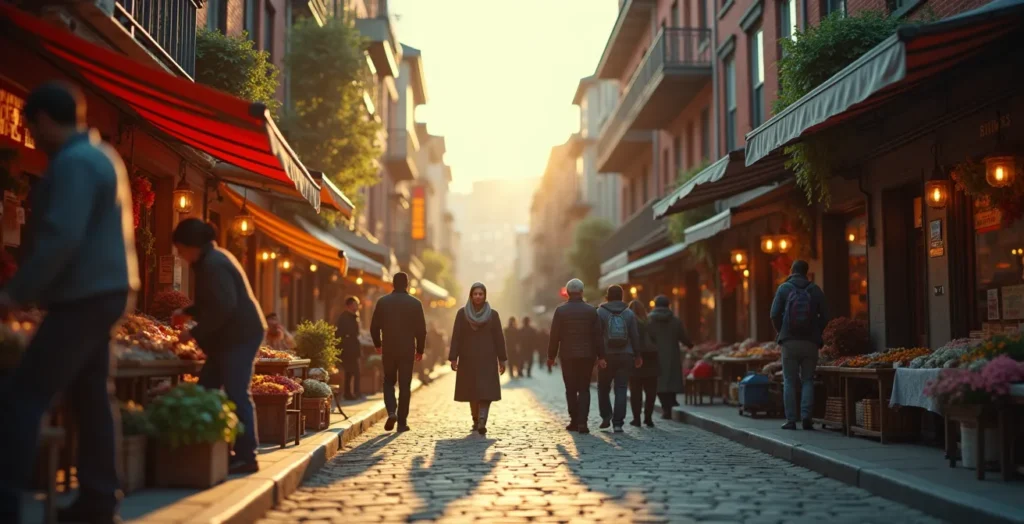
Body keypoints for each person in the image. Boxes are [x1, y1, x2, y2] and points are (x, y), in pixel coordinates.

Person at [0, 82, 139, 523]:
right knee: (92, 394)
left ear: (42, 120)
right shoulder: (102, 155)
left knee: (25, 392)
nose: (33, 138)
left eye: (30, 126)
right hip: (106, 291)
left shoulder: (76, 163)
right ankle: (98, 497)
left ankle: (6, 499)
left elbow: (62, 237)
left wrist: (15, 294)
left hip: (84, 294)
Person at [173, 219, 267, 474]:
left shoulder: (213, 264)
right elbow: (211, 302)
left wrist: (193, 332)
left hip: (240, 335)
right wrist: (187, 311)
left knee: (237, 392)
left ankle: (247, 455)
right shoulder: (210, 261)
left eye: (181, 249)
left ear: (193, 245)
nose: (180, 255)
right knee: (206, 391)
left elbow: (224, 307)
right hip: (227, 337)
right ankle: (205, 449)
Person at [770, 260, 828, 430]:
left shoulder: (784, 289)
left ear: (791, 270)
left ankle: (791, 420)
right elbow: (825, 316)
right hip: (810, 343)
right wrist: (816, 332)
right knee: (808, 379)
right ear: (806, 272)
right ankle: (807, 417)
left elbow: (773, 314)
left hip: (789, 342)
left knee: (789, 380)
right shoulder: (815, 290)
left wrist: (782, 331)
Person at [547, 279, 606, 434]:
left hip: (567, 355)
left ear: (567, 292)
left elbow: (554, 336)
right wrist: (601, 356)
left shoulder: (560, 311)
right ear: (582, 292)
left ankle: (574, 420)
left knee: (570, 389)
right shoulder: (591, 311)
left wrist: (551, 356)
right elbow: (598, 336)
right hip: (587, 355)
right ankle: (583, 423)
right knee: (584, 388)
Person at [370, 272, 426, 432]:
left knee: (388, 382)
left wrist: (377, 344)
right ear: (407, 284)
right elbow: (421, 330)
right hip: (407, 349)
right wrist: (420, 349)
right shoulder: (415, 304)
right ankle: (402, 422)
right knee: (405, 385)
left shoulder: (383, 302)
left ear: (393, 284)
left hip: (389, 348)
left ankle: (392, 411)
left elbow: (374, 327)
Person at [449, 282, 507, 435]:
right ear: (471, 295)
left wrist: (502, 359)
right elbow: (456, 336)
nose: (478, 296)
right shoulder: (462, 314)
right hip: (468, 358)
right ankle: (475, 419)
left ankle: (482, 420)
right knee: (472, 390)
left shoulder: (493, 315)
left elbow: (499, 338)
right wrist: (453, 358)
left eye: (481, 294)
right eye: (475, 294)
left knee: (486, 391)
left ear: (485, 295)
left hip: (487, 357)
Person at [595, 285, 643, 433]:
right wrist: (638, 355)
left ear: (607, 296)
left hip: (607, 355)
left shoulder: (600, 312)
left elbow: (596, 336)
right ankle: (618, 423)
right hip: (626, 355)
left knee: (603, 387)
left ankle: (606, 416)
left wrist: (600, 356)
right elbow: (635, 336)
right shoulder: (628, 313)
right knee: (621, 388)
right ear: (622, 297)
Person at [648, 295, 692, 419]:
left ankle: (665, 407)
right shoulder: (675, 320)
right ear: (668, 305)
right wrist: (690, 344)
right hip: (672, 354)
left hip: (655, 355)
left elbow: (646, 336)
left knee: (659, 381)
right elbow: (683, 336)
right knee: (672, 379)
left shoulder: (649, 320)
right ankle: (671, 403)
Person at [627, 300, 658, 427]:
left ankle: (636, 419)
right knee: (651, 391)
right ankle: (648, 417)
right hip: (652, 360)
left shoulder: (629, 323)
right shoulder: (651, 322)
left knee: (635, 392)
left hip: (636, 359)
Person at [336, 296, 362, 400]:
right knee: (350, 371)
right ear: (349, 305)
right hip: (347, 349)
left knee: (353, 371)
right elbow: (341, 334)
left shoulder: (354, 317)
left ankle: (353, 392)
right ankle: (350, 393)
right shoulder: (344, 317)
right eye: (355, 304)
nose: (357, 306)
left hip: (353, 348)